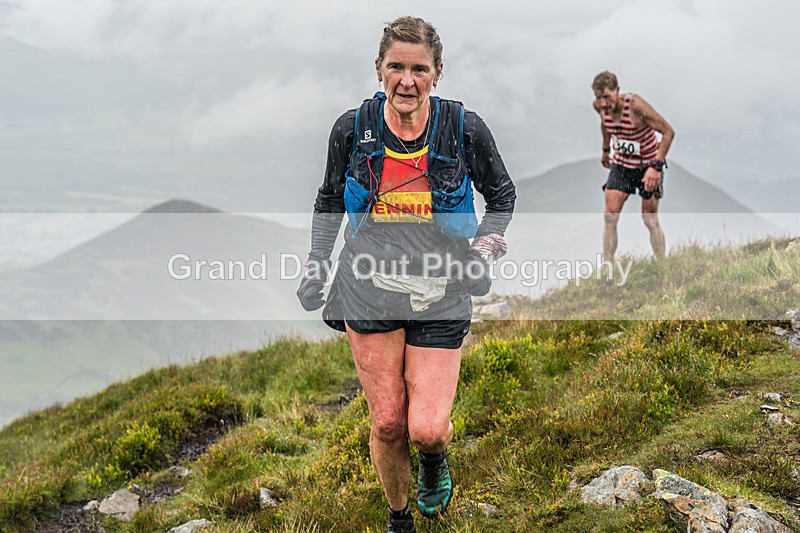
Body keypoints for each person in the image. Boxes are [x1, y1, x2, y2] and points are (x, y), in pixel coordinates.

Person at [296, 16, 515, 532]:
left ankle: (434, 460)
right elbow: (329, 199)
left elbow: (502, 196)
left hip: (442, 289)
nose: (407, 81)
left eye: (419, 69)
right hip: (366, 288)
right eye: (396, 67)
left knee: (428, 429)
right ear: (379, 69)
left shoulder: (463, 129)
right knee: (390, 422)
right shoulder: (352, 130)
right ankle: (399, 519)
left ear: (438, 73)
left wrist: (482, 252)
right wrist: (316, 264)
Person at [592, 71, 675, 261]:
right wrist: (606, 149)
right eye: (599, 97)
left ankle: (662, 263)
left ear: (617, 90)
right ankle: (608, 266)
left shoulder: (635, 106)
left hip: (648, 165)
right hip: (622, 164)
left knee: (649, 219)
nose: (603, 103)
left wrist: (656, 167)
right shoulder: (599, 107)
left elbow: (668, 132)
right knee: (609, 215)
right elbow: (604, 125)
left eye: (607, 97)